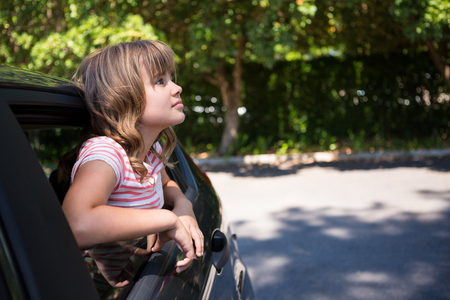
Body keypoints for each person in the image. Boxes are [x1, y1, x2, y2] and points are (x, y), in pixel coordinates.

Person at [60, 40, 204, 289]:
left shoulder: (149, 153)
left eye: (172, 78)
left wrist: (182, 205)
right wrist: (166, 220)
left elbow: (165, 182)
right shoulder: (106, 154)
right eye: (160, 81)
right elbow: (76, 224)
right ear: (126, 97)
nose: (177, 87)